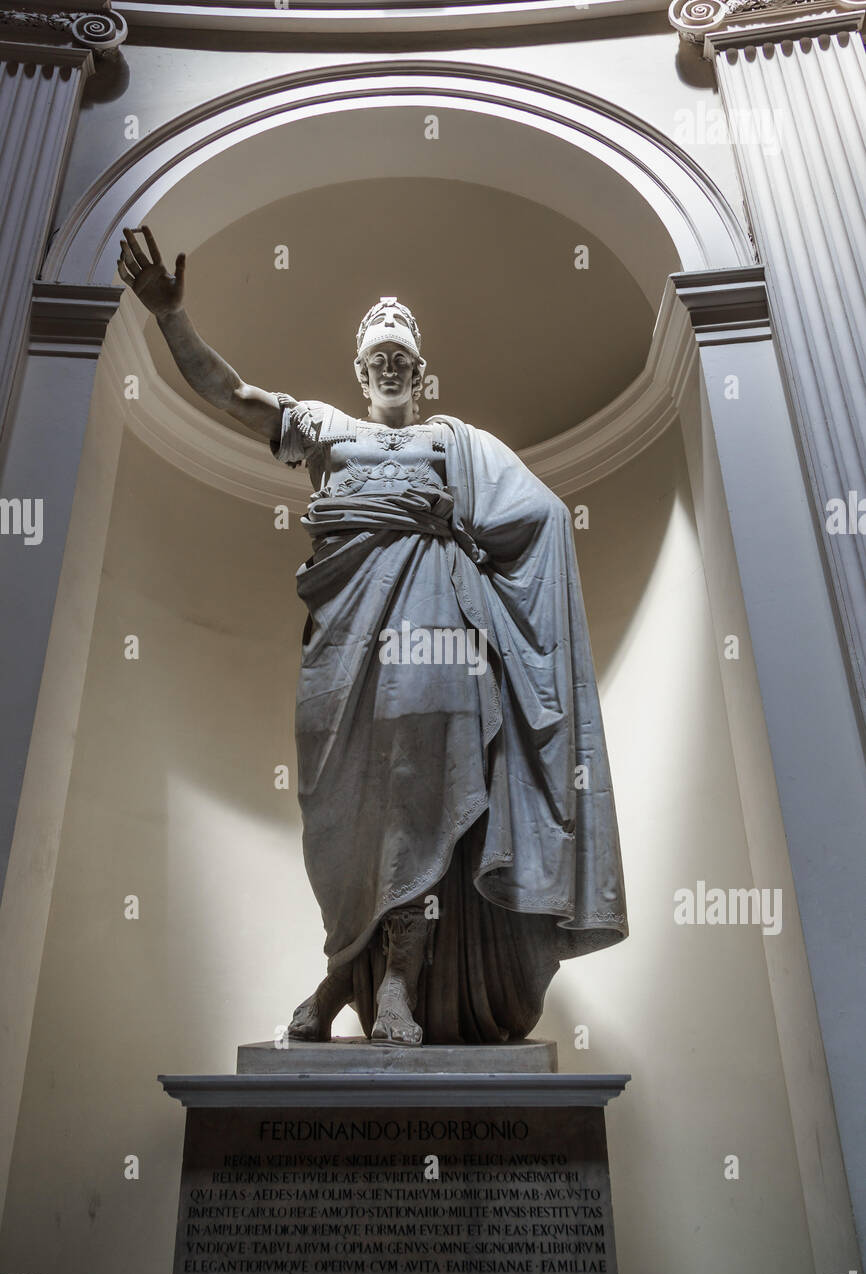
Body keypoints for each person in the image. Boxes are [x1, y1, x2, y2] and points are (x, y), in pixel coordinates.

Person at [118, 226, 628, 1048]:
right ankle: (342, 968)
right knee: (349, 811)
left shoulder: (453, 445)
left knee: (429, 794)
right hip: (347, 652)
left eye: (403, 356)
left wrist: (465, 541)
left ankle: (392, 981)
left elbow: (540, 516)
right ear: (360, 373)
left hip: (439, 646)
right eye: (377, 355)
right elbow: (234, 395)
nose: (390, 365)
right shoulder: (326, 430)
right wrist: (172, 320)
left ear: (421, 374)